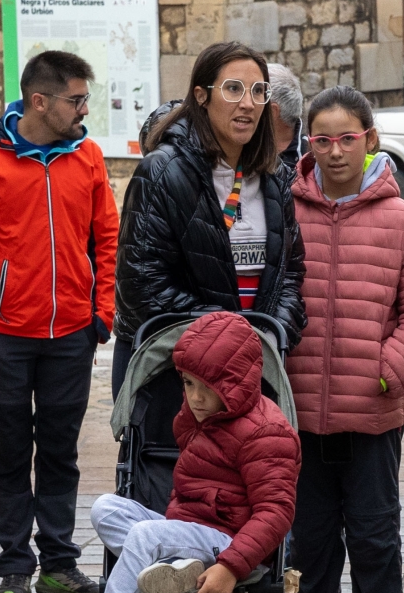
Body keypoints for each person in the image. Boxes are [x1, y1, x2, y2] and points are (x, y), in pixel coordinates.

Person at [0, 51, 119, 593]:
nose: (84, 110)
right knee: (10, 450)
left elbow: (107, 237)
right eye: (76, 99)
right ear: (41, 101)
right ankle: (15, 567)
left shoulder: (86, 156)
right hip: (5, 337)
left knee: (61, 450)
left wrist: (100, 314)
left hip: (71, 335)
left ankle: (59, 564)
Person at [285, 86, 404, 593]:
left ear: (370, 140)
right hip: (299, 411)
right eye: (321, 139)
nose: (334, 151)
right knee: (310, 540)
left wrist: (388, 371)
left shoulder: (403, 221)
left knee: (376, 538)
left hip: (373, 412)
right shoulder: (287, 211)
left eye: (346, 138)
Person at [40, 310, 301, 593]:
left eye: (207, 388)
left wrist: (230, 566)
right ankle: (175, 568)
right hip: (191, 531)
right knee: (106, 508)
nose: (195, 397)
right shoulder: (195, 417)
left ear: (236, 385)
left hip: (231, 542)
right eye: (188, 384)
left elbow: (275, 512)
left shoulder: (267, 432)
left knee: (145, 537)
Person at [112, 41, 306, 400]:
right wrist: (228, 333)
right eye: (233, 89)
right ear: (201, 96)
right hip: (174, 370)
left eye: (258, 91)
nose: (247, 103)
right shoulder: (162, 172)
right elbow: (141, 284)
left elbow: (290, 273)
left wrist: (276, 331)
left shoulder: (275, 177)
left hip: (251, 366)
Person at [267, 63, 308, 171]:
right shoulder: (240, 149)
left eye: (256, 92)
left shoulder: (311, 160)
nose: (246, 103)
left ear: (271, 112)